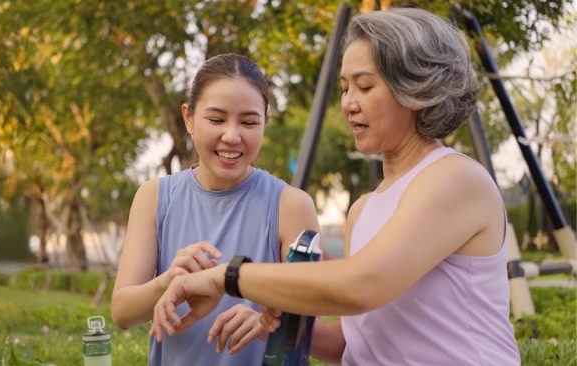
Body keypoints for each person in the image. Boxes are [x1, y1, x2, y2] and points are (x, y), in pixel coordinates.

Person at [150, 8, 519, 365]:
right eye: (345, 88)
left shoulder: (455, 178)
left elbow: (360, 286)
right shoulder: (362, 210)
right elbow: (352, 343)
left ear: (416, 89)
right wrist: (267, 329)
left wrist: (225, 277)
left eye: (365, 86)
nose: (348, 104)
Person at [111, 53, 320, 365]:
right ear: (189, 118)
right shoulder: (154, 197)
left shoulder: (291, 205)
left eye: (249, 122)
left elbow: (307, 320)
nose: (232, 136)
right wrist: (170, 281)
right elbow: (122, 312)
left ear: (266, 121)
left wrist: (267, 324)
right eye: (216, 119)